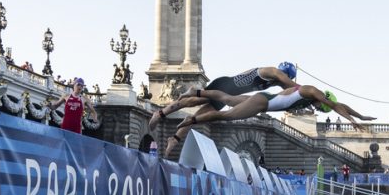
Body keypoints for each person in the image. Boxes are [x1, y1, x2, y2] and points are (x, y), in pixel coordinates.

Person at [149, 62, 299, 156]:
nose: (287, 81)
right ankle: (160, 113)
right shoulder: (273, 71)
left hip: (227, 94)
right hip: (224, 85)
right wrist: (308, 91)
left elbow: (287, 93)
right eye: (289, 78)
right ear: (286, 74)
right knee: (192, 101)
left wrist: (305, 101)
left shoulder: (274, 82)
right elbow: (292, 86)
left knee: (196, 118)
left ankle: (174, 139)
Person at [170, 84, 375, 149]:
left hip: (265, 99)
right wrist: (351, 120)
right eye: (322, 108)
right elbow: (335, 105)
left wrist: (361, 116)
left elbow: (340, 104)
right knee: (227, 116)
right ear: (322, 99)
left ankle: (196, 91)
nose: (319, 110)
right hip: (262, 103)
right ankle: (192, 120)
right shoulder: (312, 92)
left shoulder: (312, 97)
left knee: (228, 98)